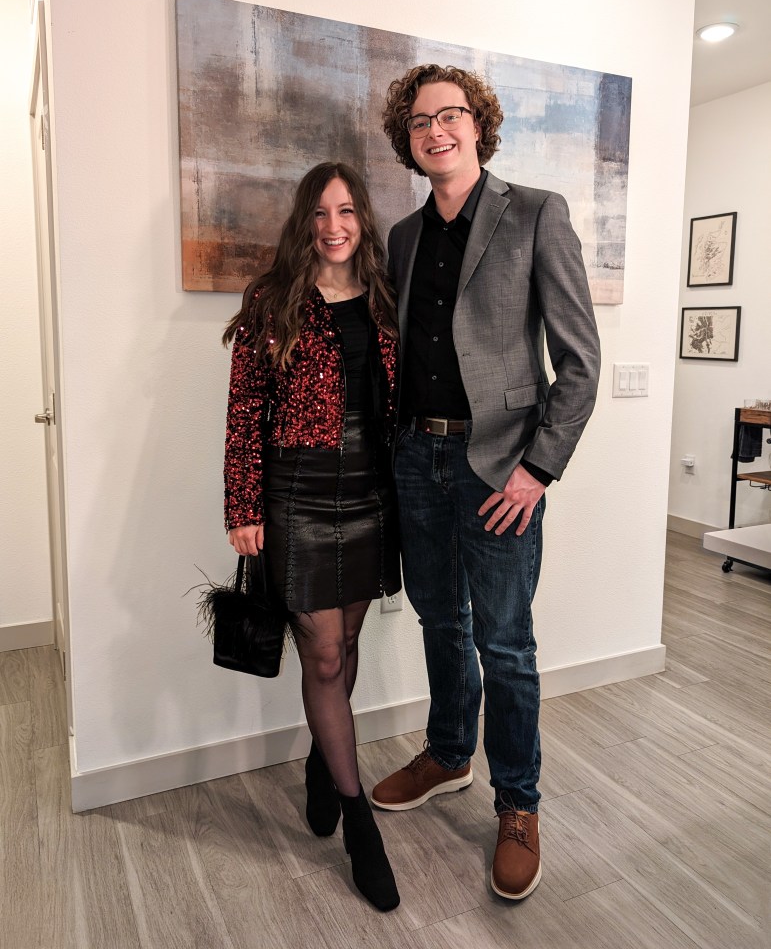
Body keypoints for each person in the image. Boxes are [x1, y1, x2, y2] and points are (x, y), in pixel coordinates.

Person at [372, 65, 601, 901]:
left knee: (504, 643)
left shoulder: (535, 212)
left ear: (478, 125)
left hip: (501, 467)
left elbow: (579, 362)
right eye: (419, 121)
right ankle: (447, 754)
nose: (435, 130)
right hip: (417, 460)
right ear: (407, 140)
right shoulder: (402, 237)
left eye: (450, 115)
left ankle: (518, 803)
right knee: (439, 618)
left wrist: (538, 468)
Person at [222, 162, 401, 912]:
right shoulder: (272, 300)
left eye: (347, 211)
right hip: (295, 493)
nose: (334, 226)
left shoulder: (385, 298)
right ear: (304, 221)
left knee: (347, 643)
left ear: (363, 219)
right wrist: (243, 507)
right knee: (323, 653)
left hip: (371, 493)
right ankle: (359, 822)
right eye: (321, 212)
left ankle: (323, 765)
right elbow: (243, 411)